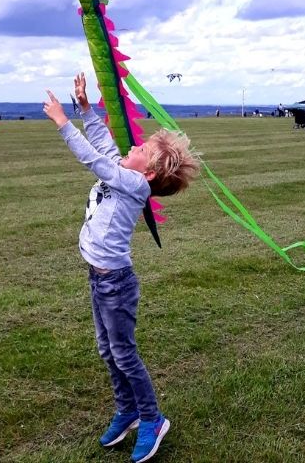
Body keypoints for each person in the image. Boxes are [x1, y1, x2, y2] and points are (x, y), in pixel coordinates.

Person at [43, 73, 199, 463]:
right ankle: (126, 410)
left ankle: (151, 418)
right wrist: (84, 107)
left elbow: (93, 158)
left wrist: (64, 122)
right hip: (99, 278)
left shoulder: (136, 185)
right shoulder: (129, 173)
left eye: (141, 149)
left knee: (124, 353)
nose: (131, 145)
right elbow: (105, 144)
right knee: (107, 350)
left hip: (116, 283)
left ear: (147, 174)